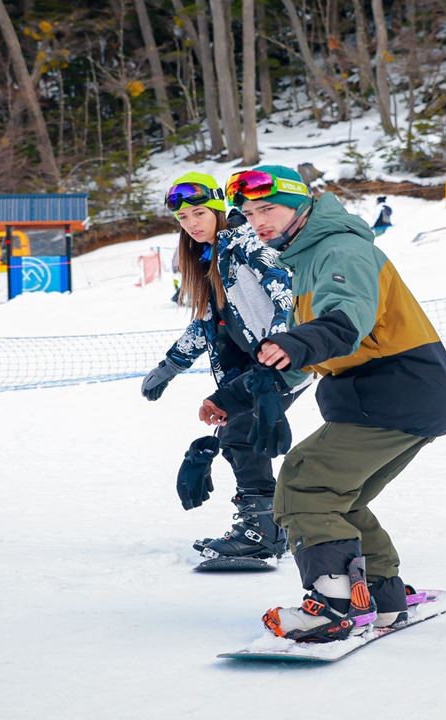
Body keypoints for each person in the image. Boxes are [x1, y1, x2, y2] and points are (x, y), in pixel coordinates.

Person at [206, 165, 446, 642]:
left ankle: (332, 606)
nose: (258, 222)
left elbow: (346, 319)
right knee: (341, 500)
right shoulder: (304, 260)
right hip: (402, 393)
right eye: (250, 214)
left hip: (393, 390)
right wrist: (234, 397)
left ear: (301, 204)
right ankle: (383, 599)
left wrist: (299, 341)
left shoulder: (340, 249)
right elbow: (305, 354)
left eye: (269, 209)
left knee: (305, 485)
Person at [140, 171, 298, 562]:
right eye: (183, 218)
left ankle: (262, 531)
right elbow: (207, 322)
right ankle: (267, 525)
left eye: (199, 213)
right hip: (249, 366)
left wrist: (280, 347)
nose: (192, 224)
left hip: (281, 358)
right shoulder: (210, 256)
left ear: (217, 210)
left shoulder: (243, 242)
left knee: (241, 433)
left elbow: (284, 290)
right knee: (236, 432)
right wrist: (170, 365)